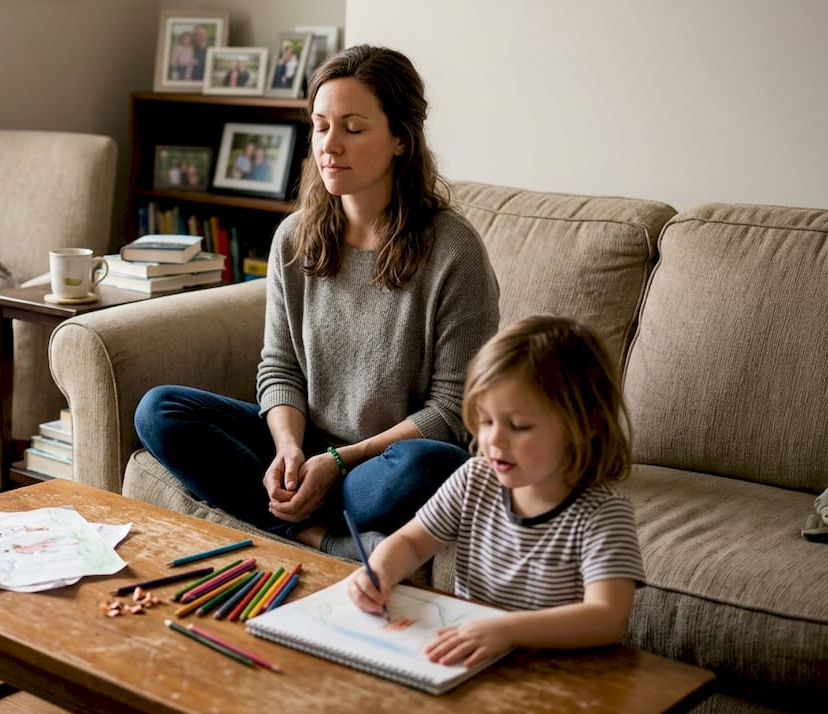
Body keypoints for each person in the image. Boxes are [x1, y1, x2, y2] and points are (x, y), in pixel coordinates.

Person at [134, 45, 500, 559]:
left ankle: (293, 514)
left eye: (353, 128)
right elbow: (280, 366)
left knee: (432, 464)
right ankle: (312, 535)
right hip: (306, 443)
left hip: (383, 458)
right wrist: (287, 450)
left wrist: (339, 462)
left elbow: (453, 409)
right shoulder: (294, 237)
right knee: (160, 410)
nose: (330, 145)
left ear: (400, 138)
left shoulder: (453, 249)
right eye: (321, 125)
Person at [345, 315, 645, 667]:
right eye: (486, 420)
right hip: (467, 661)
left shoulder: (603, 514)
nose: (493, 440)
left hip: (553, 672)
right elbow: (412, 542)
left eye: (518, 426)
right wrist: (378, 571)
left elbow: (607, 618)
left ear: (584, 426)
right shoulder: (475, 478)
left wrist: (508, 630)